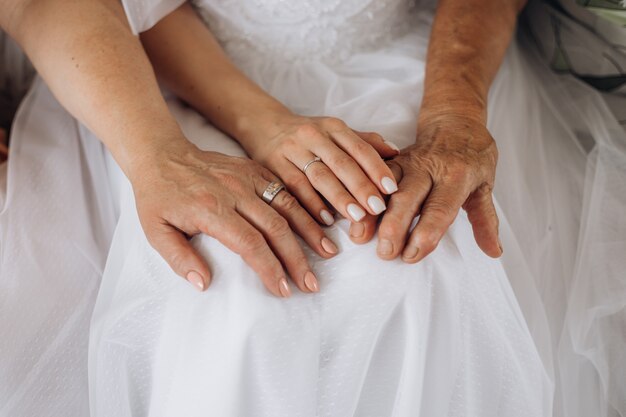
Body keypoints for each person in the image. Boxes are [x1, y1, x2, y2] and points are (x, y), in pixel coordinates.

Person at [88, 0, 552, 416]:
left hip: (430, 57)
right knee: (237, 288)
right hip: (178, 72)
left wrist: (454, 112)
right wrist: (258, 124)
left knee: (423, 258)